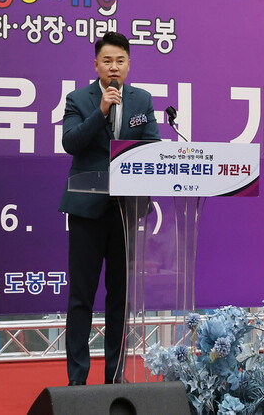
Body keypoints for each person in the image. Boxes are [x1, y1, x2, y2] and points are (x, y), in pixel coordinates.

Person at [59, 32, 161, 385]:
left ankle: (115, 376)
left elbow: (152, 146)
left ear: (128, 64)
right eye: (107, 61)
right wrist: (101, 112)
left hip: (125, 211)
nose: (113, 67)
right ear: (96, 65)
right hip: (87, 211)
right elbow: (71, 142)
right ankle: (77, 380)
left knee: (120, 297)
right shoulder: (78, 99)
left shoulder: (142, 100)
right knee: (81, 297)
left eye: (120, 61)